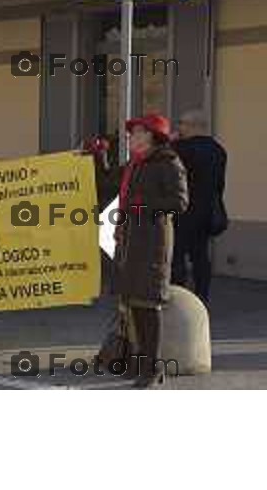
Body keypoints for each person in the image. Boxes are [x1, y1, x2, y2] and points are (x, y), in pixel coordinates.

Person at [113, 114, 188, 388]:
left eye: (137, 132)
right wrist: (95, 159)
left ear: (152, 136)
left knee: (149, 305)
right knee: (134, 303)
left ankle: (152, 367)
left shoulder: (168, 163)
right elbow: (110, 183)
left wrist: (144, 204)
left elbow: (180, 202)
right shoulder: (136, 164)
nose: (131, 136)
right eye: (132, 132)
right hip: (132, 241)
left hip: (152, 242)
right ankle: (140, 363)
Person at [171, 110, 227, 304]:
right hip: (207, 212)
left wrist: (171, 141)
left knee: (177, 256)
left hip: (183, 212)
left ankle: (179, 298)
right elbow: (219, 184)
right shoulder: (218, 150)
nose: (178, 127)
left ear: (194, 126)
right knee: (200, 256)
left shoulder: (180, 148)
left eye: (182, 123)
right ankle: (202, 296)